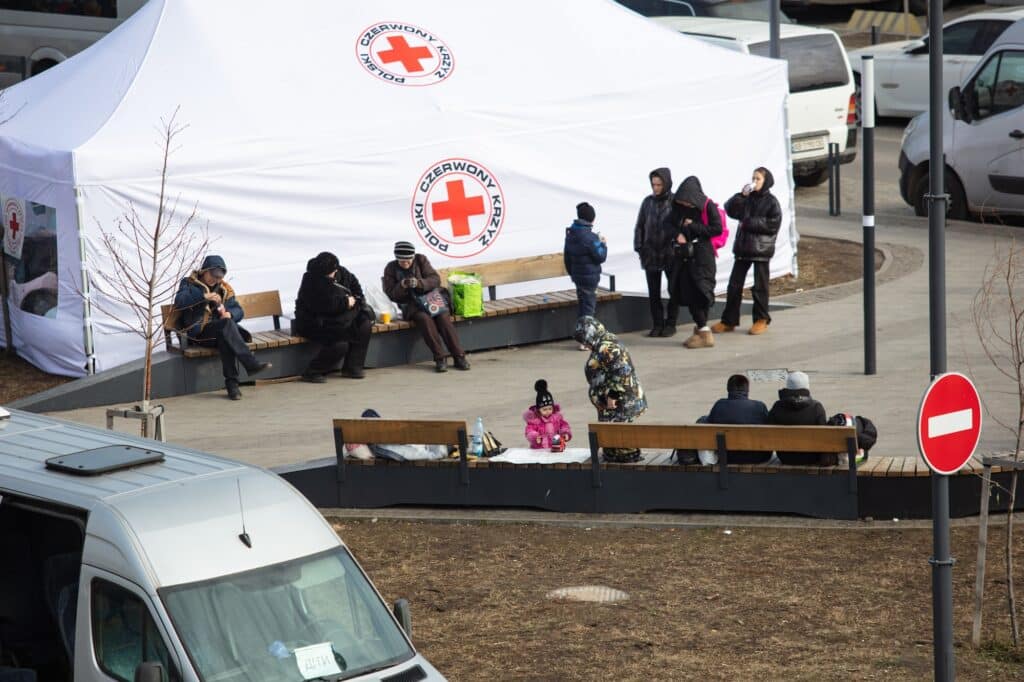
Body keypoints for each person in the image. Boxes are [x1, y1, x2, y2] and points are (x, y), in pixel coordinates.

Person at [173, 255, 270, 400]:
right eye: (213, 275)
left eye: (219, 277)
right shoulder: (189, 283)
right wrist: (204, 297)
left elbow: (239, 310)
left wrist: (230, 314)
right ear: (204, 271)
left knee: (225, 335)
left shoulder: (224, 289)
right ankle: (250, 364)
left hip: (220, 331)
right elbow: (180, 302)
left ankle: (233, 386)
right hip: (197, 333)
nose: (215, 280)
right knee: (226, 329)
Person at [714, 166, 782, 336]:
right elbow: (730, 209)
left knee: (760, 287)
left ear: (766, 181)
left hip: (761, 250)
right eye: (753, 178)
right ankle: (728, 321)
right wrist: (741, 195)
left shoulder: (771, 202)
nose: (754, 182)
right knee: (734, 286)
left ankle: (761, 319)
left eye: (758, 179)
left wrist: (749, 223)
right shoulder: (748, 199)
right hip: (743, 248)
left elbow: (773, 224)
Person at [382, 241, 470, 373]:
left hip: (431, 298)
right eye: (402, 261)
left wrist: (419, 283)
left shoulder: (421, 260)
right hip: (411, 305)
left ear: (413, 257)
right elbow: (391, 294)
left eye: (408, 260)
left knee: (443, 317)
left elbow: (435, 279)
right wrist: (402, 286)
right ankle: (440, 358)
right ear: (396, 258)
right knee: (424, 319)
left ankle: (459, 356)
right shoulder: (390, 268)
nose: (405, 263)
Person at [574, 316, 647, 463]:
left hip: (620, 401)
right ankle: (614, 454)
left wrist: (612, 395)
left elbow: (622, 371)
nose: (585, 345)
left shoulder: (607, 346)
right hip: (615, 402)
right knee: (613, 436)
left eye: (584, 341)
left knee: (621, 437)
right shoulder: (604, 341)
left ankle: (626, 460)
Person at [293, 251, 372, 383]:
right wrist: (346, 302)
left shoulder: (342, 272)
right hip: (315, 322)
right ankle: (313, 371)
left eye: (332, 272)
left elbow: (356, 288)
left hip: (341, 318)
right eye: (327, 274)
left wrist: (356, 299)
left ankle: (353, 367)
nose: (330, 276)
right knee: (340, 344)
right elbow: (321, 306)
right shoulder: (310, 279)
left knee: (364, 325)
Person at [669, 176, 722, 350]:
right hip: (685, 256)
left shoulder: (708, 206)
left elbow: (716, 229)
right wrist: (678, 234)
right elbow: (668, 224)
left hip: (702, 256)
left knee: (701, 291)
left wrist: (693, 226)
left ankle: (704, 331)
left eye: (688, 202)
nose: (686, 205)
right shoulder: (678, 208)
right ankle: (701, 329)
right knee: (688, 291)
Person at [633, 168, 679, 337]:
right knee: (653, 292)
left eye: (659, 184)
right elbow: (640, 225)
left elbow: (681, 226)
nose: (656, 188)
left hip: (670, 253)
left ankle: (671, 323)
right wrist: (639, 247)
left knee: (674, 290)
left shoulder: (675, 202)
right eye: (654, 184)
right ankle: (657, 323)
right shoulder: (647, 202)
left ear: (666, 183)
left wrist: (676, 247)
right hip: (650, 253)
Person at [768, 371, 834, 465]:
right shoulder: (816, 407)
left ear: (788, 386)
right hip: (812, 457)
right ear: (807, 387)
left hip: (785, 457)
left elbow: (768, 429)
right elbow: (823, 436)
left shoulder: (777, 407)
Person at [705, 374, 771, 464]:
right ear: (747, 390)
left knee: (703, 419)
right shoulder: (759, 406)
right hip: (757, 456)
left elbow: (709, 423)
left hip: (726, 456)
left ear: (728, 389)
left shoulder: (719, 405)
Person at [563, 202, 607, 324]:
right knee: (588, 310)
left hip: (578, 278)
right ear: (592, 219)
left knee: (582, 308)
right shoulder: (591, 238)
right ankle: (586, 340)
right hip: (590, 280)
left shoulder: (570, 235)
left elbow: (567, 258)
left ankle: (582, 338)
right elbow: (601, 256)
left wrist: (573, 275)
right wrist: (603, 244)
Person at [523, 379, 573, 450]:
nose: (548, 411)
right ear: (538, 409)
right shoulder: (535, 420)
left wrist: (565, 433)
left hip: (556, 446)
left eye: (550, 409)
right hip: (539, 448)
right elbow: (529, 430)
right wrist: (535, 437)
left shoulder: (557, 418)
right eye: (544, 409)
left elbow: (564, 425)